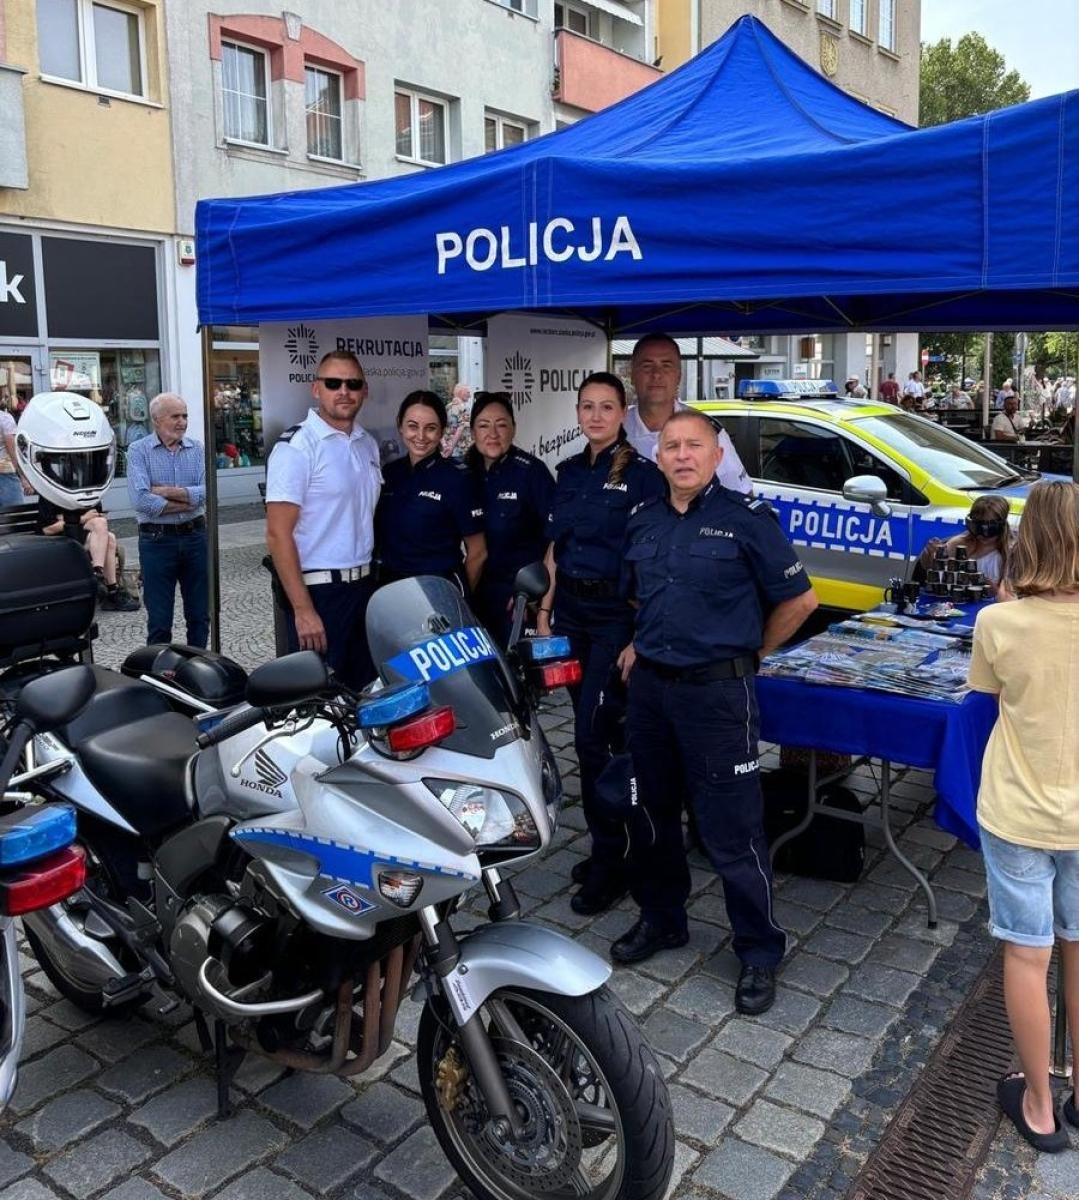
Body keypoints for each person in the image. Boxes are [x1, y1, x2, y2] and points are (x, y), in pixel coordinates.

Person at [614, 410, 818, 1014]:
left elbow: (800, 600)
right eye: (670, 445)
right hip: (651, 692)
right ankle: (662, 918)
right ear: (658, 456)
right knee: (650, 813)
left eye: (693, 445)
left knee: (732, 831)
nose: (681, 455)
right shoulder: (642, 520)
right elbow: (641, 596)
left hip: (719, 697)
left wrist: (751, 651)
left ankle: (758, 950)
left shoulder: (746, 520)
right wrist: (639, 643)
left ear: (715, 452)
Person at [967, 480, 1079, 1154]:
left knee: (1025, 953)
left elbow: (985, 691)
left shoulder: (997, 623)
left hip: (1016, 810)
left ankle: (1038, 1104)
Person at [536, 372, 666, 916]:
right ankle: (607, 846)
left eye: (606, 407)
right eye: (586, 406)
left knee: (593, 736)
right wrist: (544, 614)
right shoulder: (567, 473)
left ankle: (614, 860)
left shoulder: (642, 477)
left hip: (616, 618)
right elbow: (553, 551)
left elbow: (656, 560)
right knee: (589, 736)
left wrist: (639, 635)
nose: (595, 416)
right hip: (569, 616)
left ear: (622, 412)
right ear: (577, 411)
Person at [264, 351, 381, 688]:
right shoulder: (297, 447)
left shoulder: (366, 445)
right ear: (317, 389)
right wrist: (302, 610)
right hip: (319, 595)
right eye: (333, 383)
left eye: (352, 384)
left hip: (363, 589)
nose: (343, 391)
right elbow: (277, 535)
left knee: (365, 693)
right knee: (321, 704)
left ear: (364, 391)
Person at [374, 391, 486, 593]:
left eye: (431, 428)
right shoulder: (389, 474)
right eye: (412, 426)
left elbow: (478, 552)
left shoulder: (457, 478)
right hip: (390, 592)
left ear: (442, 430)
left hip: (438, 591)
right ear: (400, 426)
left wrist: (455, 601)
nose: (420, 436)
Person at [466, 392, 555, 645]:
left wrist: (535, 590)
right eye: (484, 425)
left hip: (517, 598)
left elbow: (555, 538)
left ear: (513, 429)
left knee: (515, 677)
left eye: (501, 425)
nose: (492, 433)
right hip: (472, 594)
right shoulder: (462, 473)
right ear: (472, 432)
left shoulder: (531, 472)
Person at [126, 393, 209, 647]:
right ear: (157, 420)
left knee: (200, 615)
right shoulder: (138, 451)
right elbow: (141, 501)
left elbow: (206, 494)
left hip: (195, 538)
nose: (182, 422)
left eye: (185, 416)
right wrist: (188, 498)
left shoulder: (197, 449)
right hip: (157, 541)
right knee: (160, 620)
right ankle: (159, 674)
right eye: (175, 416)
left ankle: (198, 669)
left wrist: (164, 491)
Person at [623, 333, 752, 494]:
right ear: (632, 375)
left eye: (666, 365)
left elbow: (742, 495)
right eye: (647, 366)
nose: (656, 374)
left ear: (679, 376)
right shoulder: (615, 428)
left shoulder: (707, 430)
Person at [36, 496, 139, 611]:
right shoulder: (50, 493)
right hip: (59, 540)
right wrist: (82, 518)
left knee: (109, 537)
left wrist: (75, 520)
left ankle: (101, 578)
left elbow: (95, 519)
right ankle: (109, 588)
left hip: (80, 536)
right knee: (102, 528)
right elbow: (47, 529)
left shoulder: (87, 494)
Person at [913, 495, 1013, 590]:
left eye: (990, 529)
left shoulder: (1011, 553)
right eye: (978, 528)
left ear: (1001, 525)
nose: (983, 535)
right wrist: (930, 554)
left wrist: (993, 590)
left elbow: (1013, 597)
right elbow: (930, 571)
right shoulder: (959, 544)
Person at [0, 400, 32, 507]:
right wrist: (24, 478)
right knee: (14, 518)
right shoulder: (4, 419)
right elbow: (13, 452)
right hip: (5, 476)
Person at [441, 383, 474, 459]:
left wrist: (445, 445)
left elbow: (441, 428)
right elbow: (460, 428)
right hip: (461, 451)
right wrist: (451, 448)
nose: (470, 396)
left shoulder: (448, 406)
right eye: (468, 393)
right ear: (461, 392)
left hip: (448, 450)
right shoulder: (464, 409)